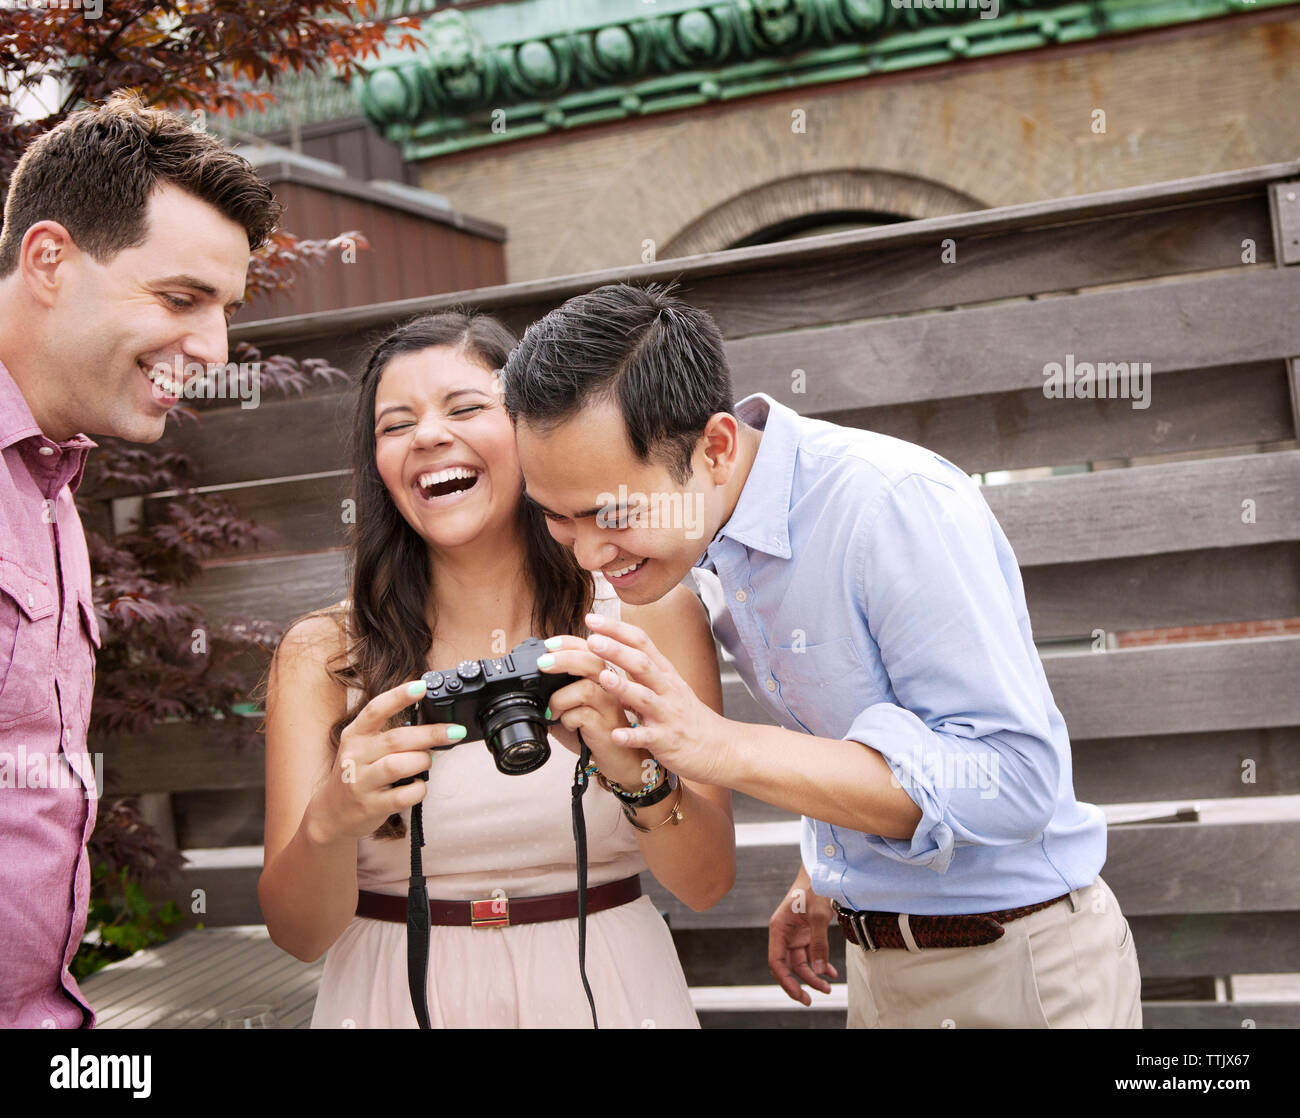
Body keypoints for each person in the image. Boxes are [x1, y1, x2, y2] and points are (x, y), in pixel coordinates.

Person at [503, 282, 1143, 1029]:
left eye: (612, 514)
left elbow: (1016, 778)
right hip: (878, 964)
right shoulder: (713, 534)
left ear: (714, 448)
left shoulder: (892, 503)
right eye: (555, 518)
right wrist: (824, 876)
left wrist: (717, 745)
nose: (586, 552)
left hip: (1023, 970)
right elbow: (882, 724)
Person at [258, 310, 734, 1028]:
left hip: (607, 990)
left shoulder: (649, 616)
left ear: (529, 431)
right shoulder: (321, 654)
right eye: (395, 424)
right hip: (391, 996)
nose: (427, 436)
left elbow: (706, 883)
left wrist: (634, 771)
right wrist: (330, 820)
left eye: (465, 408)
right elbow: (299, 937)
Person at [0, 92, 280, 1028]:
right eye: (179, 297)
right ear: (49, 260)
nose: (212, 346)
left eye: (225, 308)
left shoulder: (48, 488)